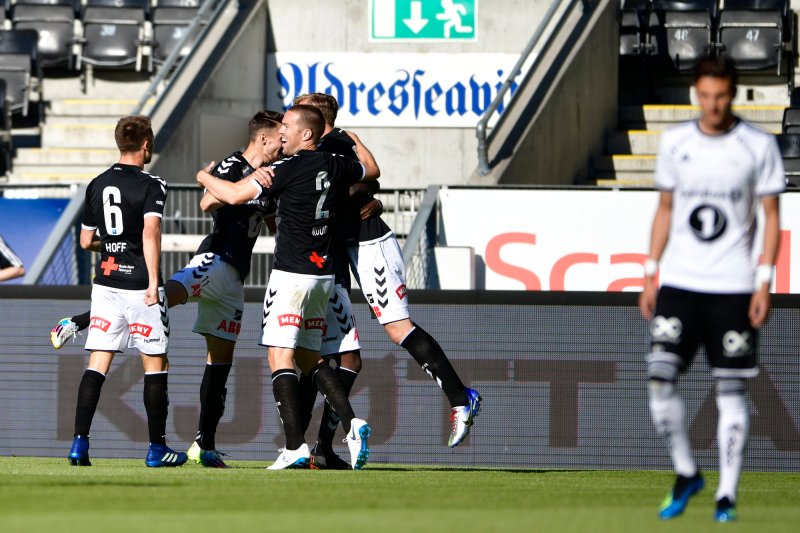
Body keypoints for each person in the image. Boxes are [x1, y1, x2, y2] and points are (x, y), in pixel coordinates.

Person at [52, 110, 285, 469]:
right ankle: (155, 445)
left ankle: (204, 445)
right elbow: (207, 202)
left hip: (234, 275)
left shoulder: (99, 182)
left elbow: (270, 223)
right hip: (215, 259)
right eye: (279, 139)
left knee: (221, 361)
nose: (282, 146)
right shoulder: (231, 166)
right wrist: (229, 185)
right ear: (264, 138)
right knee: (162, 304)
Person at [639, 56, 784, 523]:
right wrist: (650, 272)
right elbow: (664, 209)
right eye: (705, 95)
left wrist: (765, 281)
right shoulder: (676, 142)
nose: (713, 104)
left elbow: (773, 219)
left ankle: (726, 494)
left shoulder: (758, 146)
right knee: (660, 377)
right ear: (695, 95)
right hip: (680, 283)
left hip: (734, 287)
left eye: (721, 96)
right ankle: (686, 472)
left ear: (733, 95)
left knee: (730, 391)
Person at [295, 92, 482, 450]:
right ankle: (317, 447)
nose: (289, 123)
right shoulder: (334, 146)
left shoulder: (337, 142)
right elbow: (364, 180)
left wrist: (364, 192)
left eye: (296, 115)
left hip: (369, 244)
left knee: (397, 328)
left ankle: (461, 397)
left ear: (314, 120)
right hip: (339, 250)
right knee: (332, 348)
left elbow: (356, 181)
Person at [196, 104, 377, 470]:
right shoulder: (335, 164)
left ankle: (294, 446)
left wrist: (203, 174)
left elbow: (230, 196)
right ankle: (352, 422)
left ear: (306, 134)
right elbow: (371, 170)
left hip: (291, 276)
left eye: (289, 128)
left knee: (280, 357)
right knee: (310, 357)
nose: (282, 134)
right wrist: (355, 140)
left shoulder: (284, 168)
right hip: (323, 277)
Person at [68, 115, 186, 467]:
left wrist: (115, 248)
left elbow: (86, 240)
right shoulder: (153, 184)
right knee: (156, 364)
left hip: (105, 284)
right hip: (139, 285)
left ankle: (79, 443)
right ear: (146, 144)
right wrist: (153, 281)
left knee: (97, 364)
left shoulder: (96, 184)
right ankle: (156, 448)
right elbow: (151, 233)